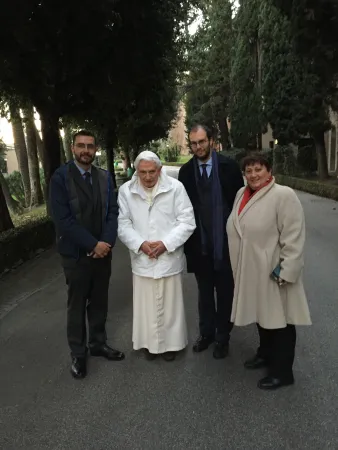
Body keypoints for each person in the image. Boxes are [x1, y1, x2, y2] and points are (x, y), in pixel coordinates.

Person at [226, 152, 311, 390]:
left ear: (269, 171)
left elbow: (294, 236)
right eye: (249, 171)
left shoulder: (283, 195)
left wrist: (285, 270)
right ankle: (265, 354)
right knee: (262, 316)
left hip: (274, 271)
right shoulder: (241, 194)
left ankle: (283, 372)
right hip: (250, 269)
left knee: (281, 321)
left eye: (258, 169)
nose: (253, 175)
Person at [50, 130, 125, 379]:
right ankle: (78, 354)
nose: (86, 150)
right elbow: (63, 220)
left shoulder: (104, 177)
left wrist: (107, 242)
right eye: (81, 146)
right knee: (76, 304)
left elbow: (113, 212)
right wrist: (94, 244)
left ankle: (98, 343)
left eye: (90, 146)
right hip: (76, 255)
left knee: (100, 301)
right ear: (73, 148)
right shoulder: (60, 178)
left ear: (96, 149)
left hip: (103, 253)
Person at [118, 151, 196, 361]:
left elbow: (187, 221)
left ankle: (172, 345)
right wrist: (141, 244)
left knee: (171, 307)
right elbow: (123, 224)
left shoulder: (176, 188)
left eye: (152, 172)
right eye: (143, 172)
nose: (148, 177)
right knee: (145, 308)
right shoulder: (126, 191)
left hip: (168, 256)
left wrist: (165, 244)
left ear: (160, 170)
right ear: (137, 171)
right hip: (143, 258)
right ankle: (148, 345)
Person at [178, 125, 244, 359]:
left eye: (202, 142)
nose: (198, 147)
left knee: (225, 291)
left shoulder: (229, 167)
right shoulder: (185, 172)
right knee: (204, 292)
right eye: (194, 143)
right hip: (199, 244)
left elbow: (239, 206)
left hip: (226, 244)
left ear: (212, 141)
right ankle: (206, 334)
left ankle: (222, 338)